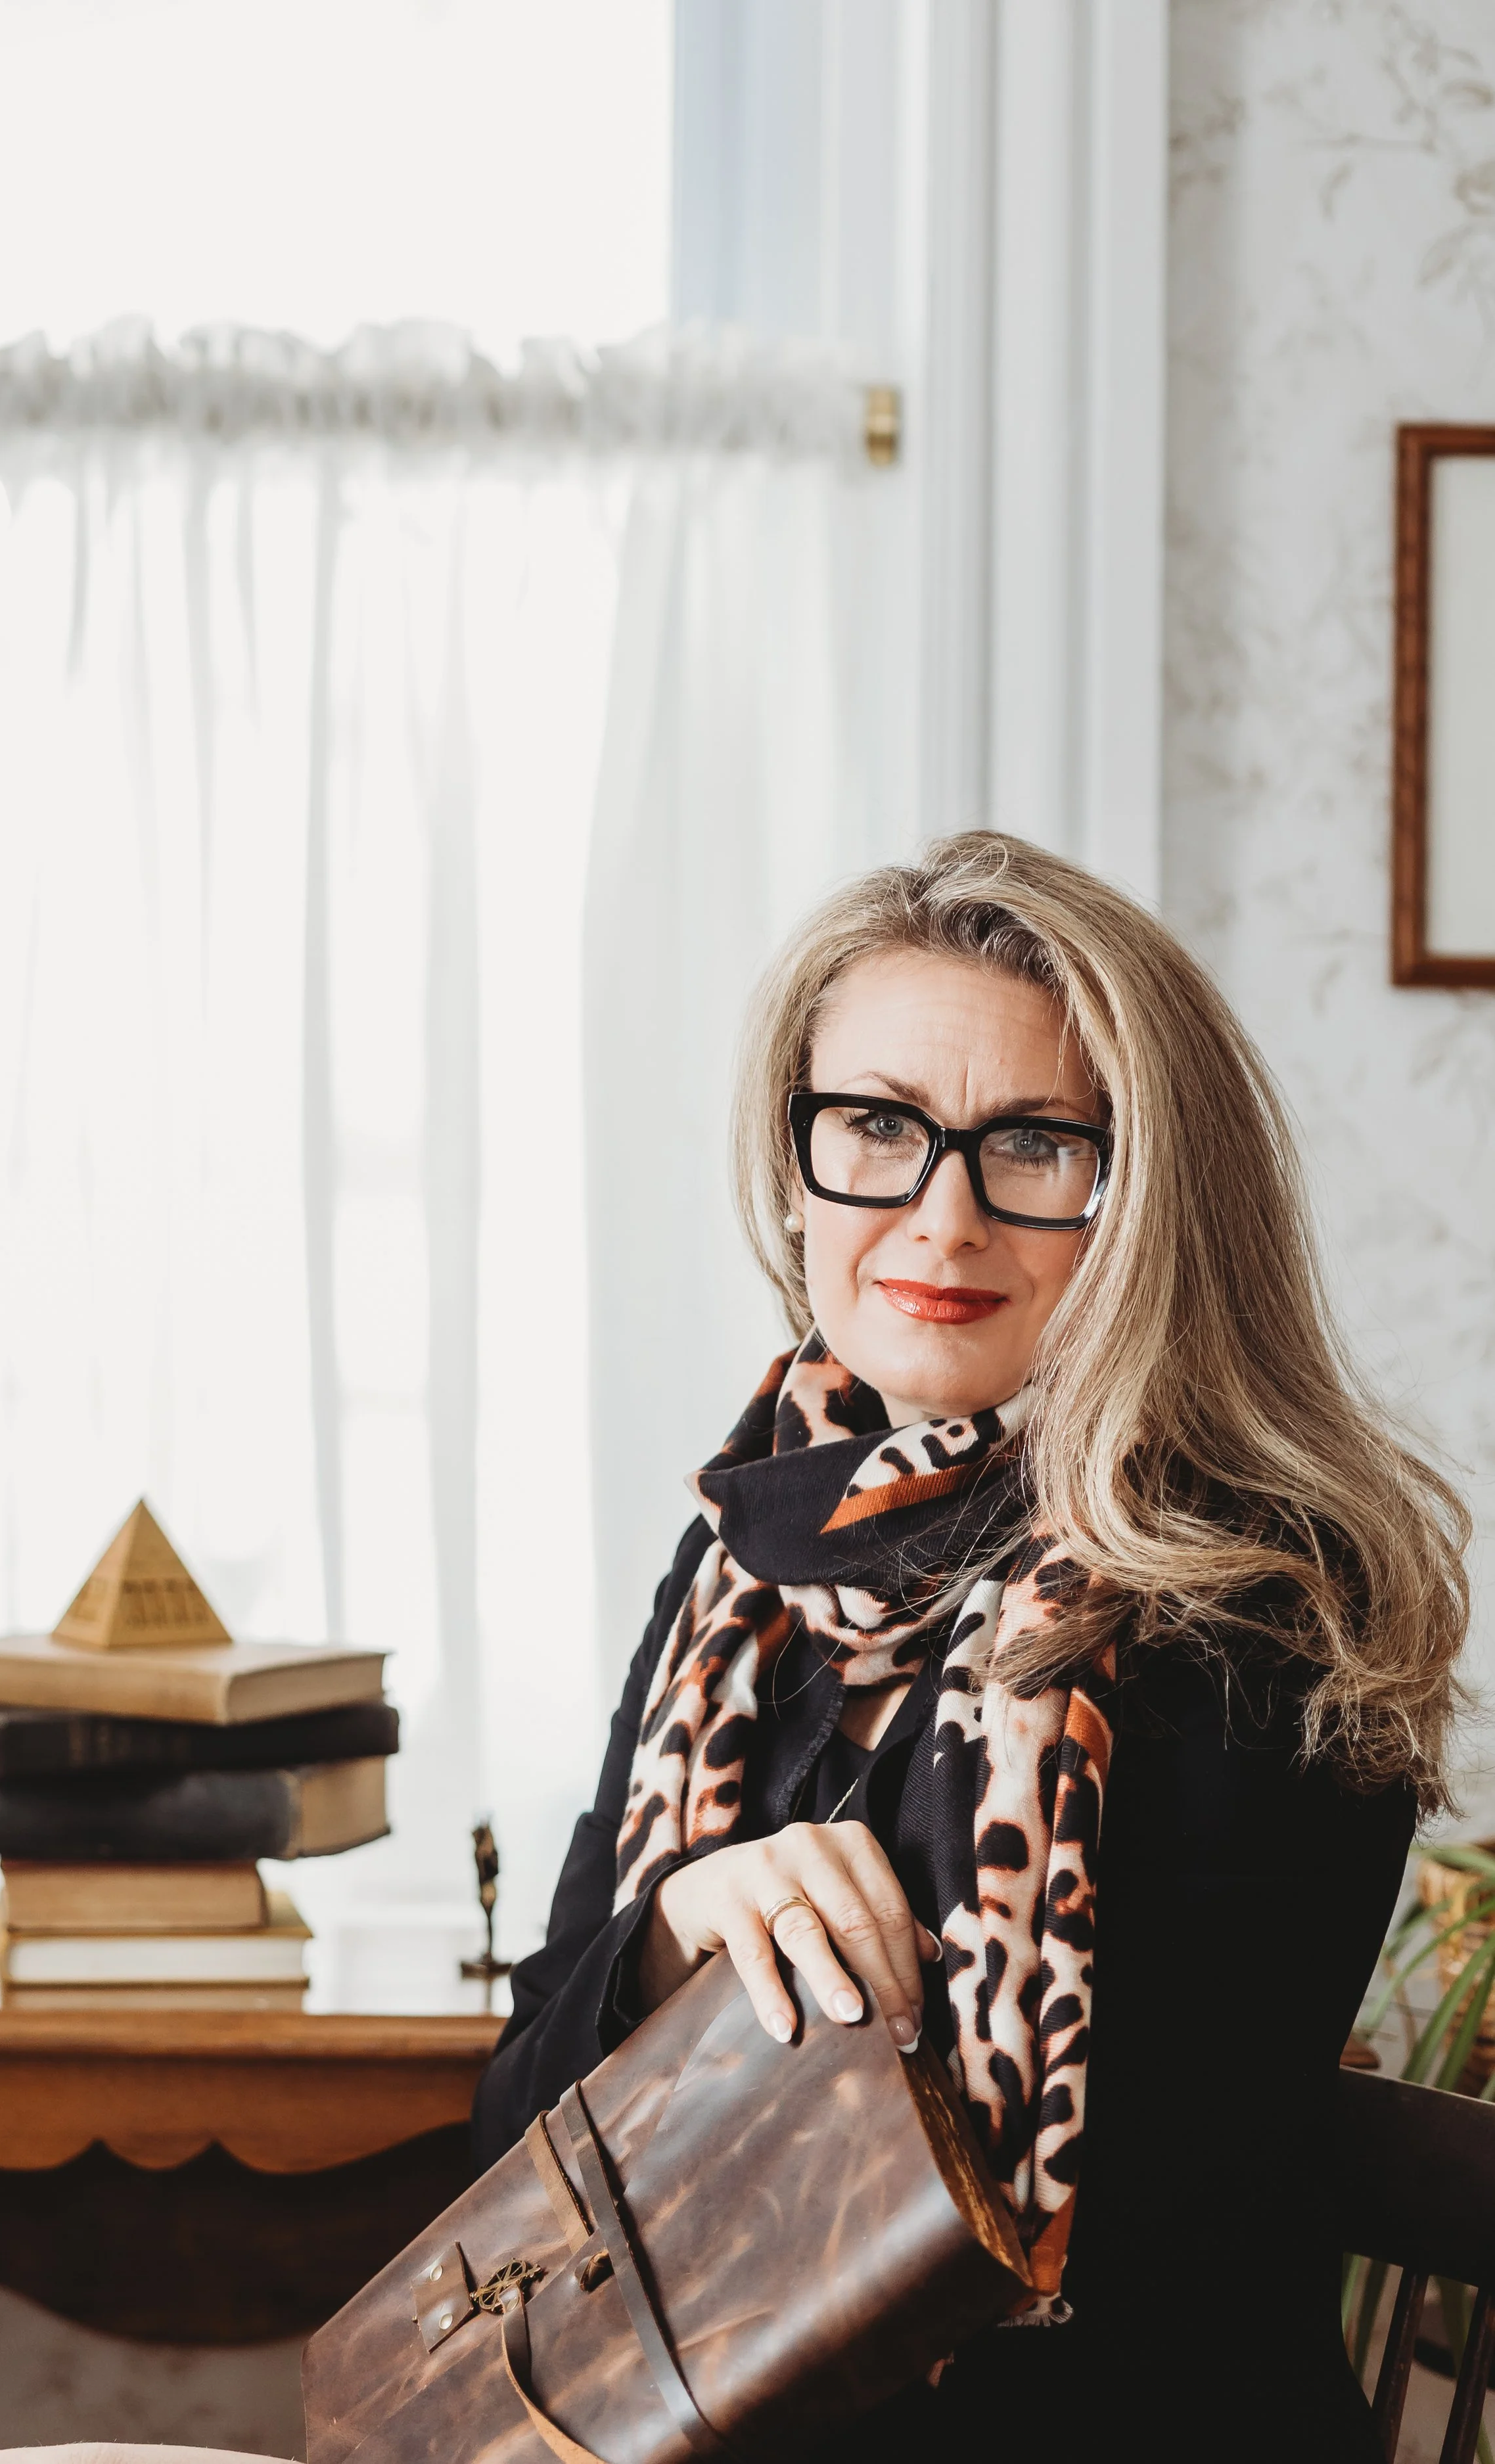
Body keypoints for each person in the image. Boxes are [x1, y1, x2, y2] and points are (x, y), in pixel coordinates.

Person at [471, 831, 1468, 2461]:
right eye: (875, 1127)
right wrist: (671, 1943)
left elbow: (1132, 2251)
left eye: (1031, 1146)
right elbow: (508, 2132)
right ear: (795, 1164)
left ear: (1147, 1193)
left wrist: (724, 2018)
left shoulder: (1254, 1601)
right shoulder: (747, 1558)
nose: (939, 1218)